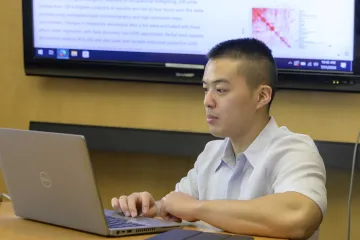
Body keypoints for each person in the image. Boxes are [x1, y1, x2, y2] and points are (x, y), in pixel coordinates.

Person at [111, 38, 327, 240]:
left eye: (221, 90)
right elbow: (179, 206)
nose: (207, 101)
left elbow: (298, 216)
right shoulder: (211, 153)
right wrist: (153, 209)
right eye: (206, 89)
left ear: (262, 96)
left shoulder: (294, 150)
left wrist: (198, 208)